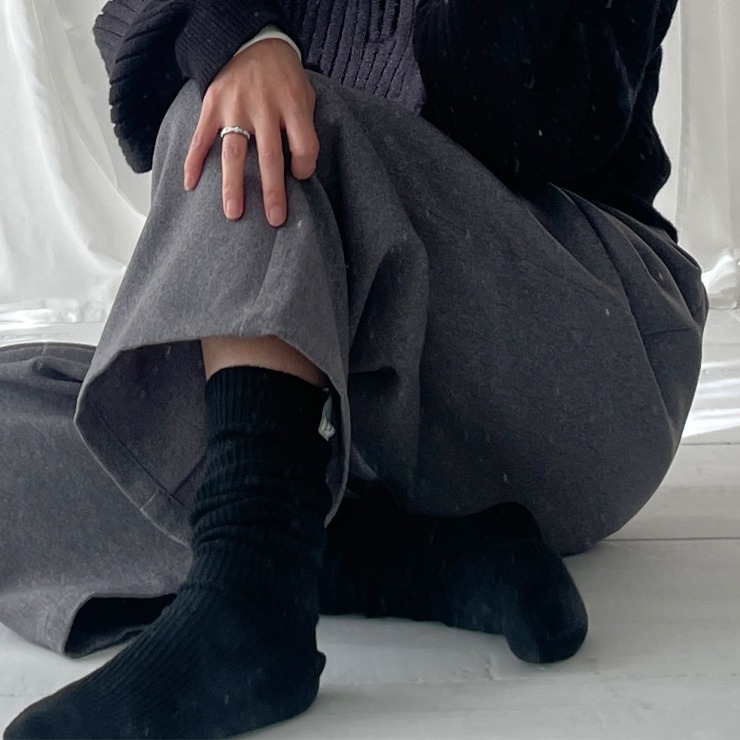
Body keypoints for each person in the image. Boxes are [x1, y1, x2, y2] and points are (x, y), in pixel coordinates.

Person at [2, 0, 708, 737]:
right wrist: (247, 40)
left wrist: (262, 72)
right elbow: (136, 30)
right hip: (347, 412)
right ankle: (377, 558)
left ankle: (250, 589)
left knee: (258, 119)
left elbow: (533, 113)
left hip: (578, 365)